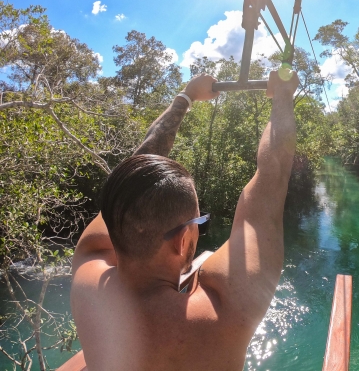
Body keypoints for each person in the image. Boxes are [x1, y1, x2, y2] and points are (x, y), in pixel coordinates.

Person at [70, 70, 299, 370]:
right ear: (182, 240)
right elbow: (272, 177)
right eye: (198, 223)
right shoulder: (219, 319)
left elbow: (129, 181)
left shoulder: (87, 275)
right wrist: (282, 96)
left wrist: (186, 97)